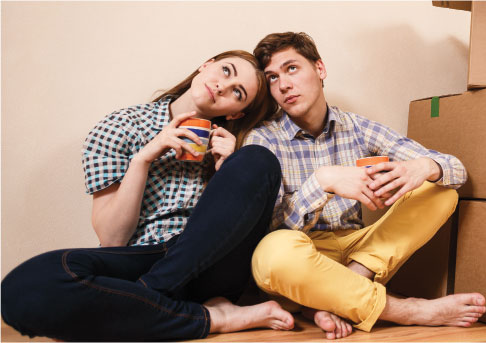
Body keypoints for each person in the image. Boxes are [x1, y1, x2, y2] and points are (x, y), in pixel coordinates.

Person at [1, 50, 295, 341]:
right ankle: (211, 317)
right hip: (140, 257)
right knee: (22, 286)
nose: (222, 85)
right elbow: (112, 239)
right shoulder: (123, 126)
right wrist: (143, 158)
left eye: (237, 92)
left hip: (208, 267)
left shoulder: (231, 145)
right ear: (206, 65)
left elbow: (239, 229)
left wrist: (229, 168)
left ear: (235, 113)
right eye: (226, 71)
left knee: (257, 159)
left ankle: (148, 296)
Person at [245, 32, 486, 340]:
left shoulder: (357, 127)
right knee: (271, 255)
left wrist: (422, 167)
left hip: (360, 252)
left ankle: (341, 290)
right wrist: (323, 182)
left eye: (291, 68)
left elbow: (457, 170)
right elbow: (267, 227)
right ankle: (409, 311)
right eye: (272, 78)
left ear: (320, 69)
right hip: (303, 253)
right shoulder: (263, 139)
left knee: (440, 191)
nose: (283, 85)